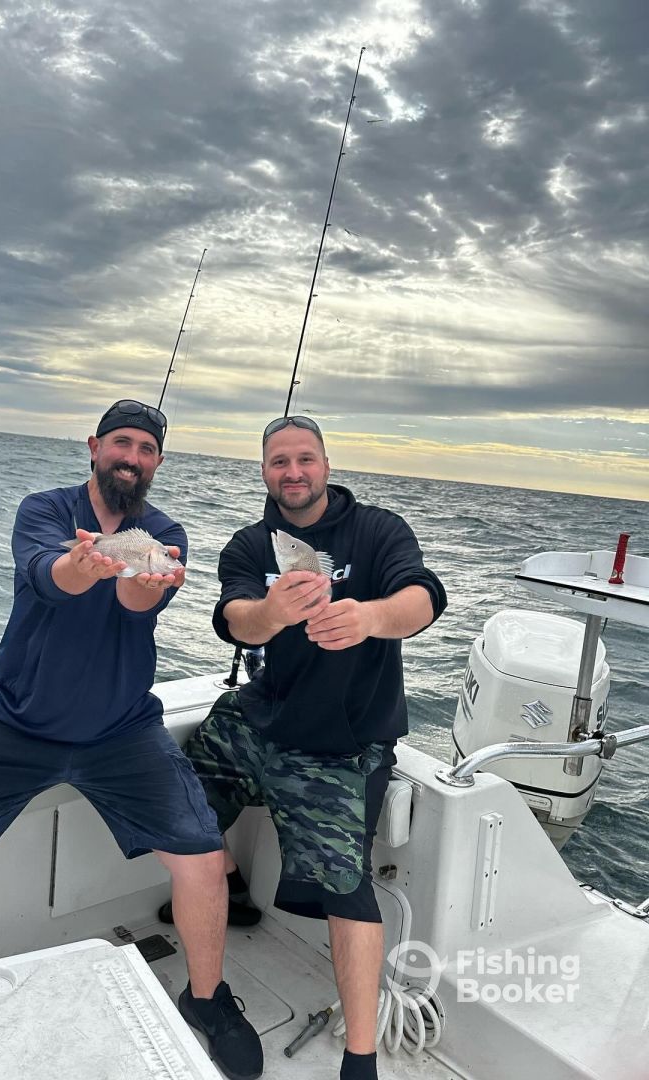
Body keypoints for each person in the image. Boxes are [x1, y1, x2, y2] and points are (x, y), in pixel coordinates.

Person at [0, 399, 263, 1080]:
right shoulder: (45, 510)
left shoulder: (165, 533)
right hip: (13, 721)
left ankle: (206, 997)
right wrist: (86, 565)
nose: (131, 457)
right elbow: (51, 579)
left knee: (202, 856)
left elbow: (139, 603)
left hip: (122, 728)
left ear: (157, 462)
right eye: (121, 443)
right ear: (94, 447)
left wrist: (142, 577)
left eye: (145, 448)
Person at [182, 415, 447, 1080]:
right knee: (178, 805)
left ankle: (360, 1058)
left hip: (343, 743)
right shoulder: (252, 543)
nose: (293, 472)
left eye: (305, 459)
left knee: (345, 887)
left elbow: (424, 597)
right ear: (264, 472)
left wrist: (370, 617)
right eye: (279, 461)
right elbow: (234, 619)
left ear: (326, 465)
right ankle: (226, 896)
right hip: (262, 715)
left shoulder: (378, 530)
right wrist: (271, 613)